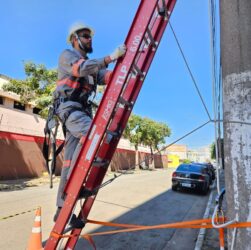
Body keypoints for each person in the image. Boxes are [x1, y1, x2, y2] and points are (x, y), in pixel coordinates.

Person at [53, 22, 126, 221]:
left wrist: (125, 65)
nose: (89, 39)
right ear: (75, 39)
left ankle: (62, 210)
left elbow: (107, 76)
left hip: (81, 111)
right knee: (92, 135)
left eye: (90, 36)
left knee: (69, 162)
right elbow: (81, 69)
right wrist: (110, 57)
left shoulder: (92, 68)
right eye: (85, 36)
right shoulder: (67, 56)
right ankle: (76, 184)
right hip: (69, 109)